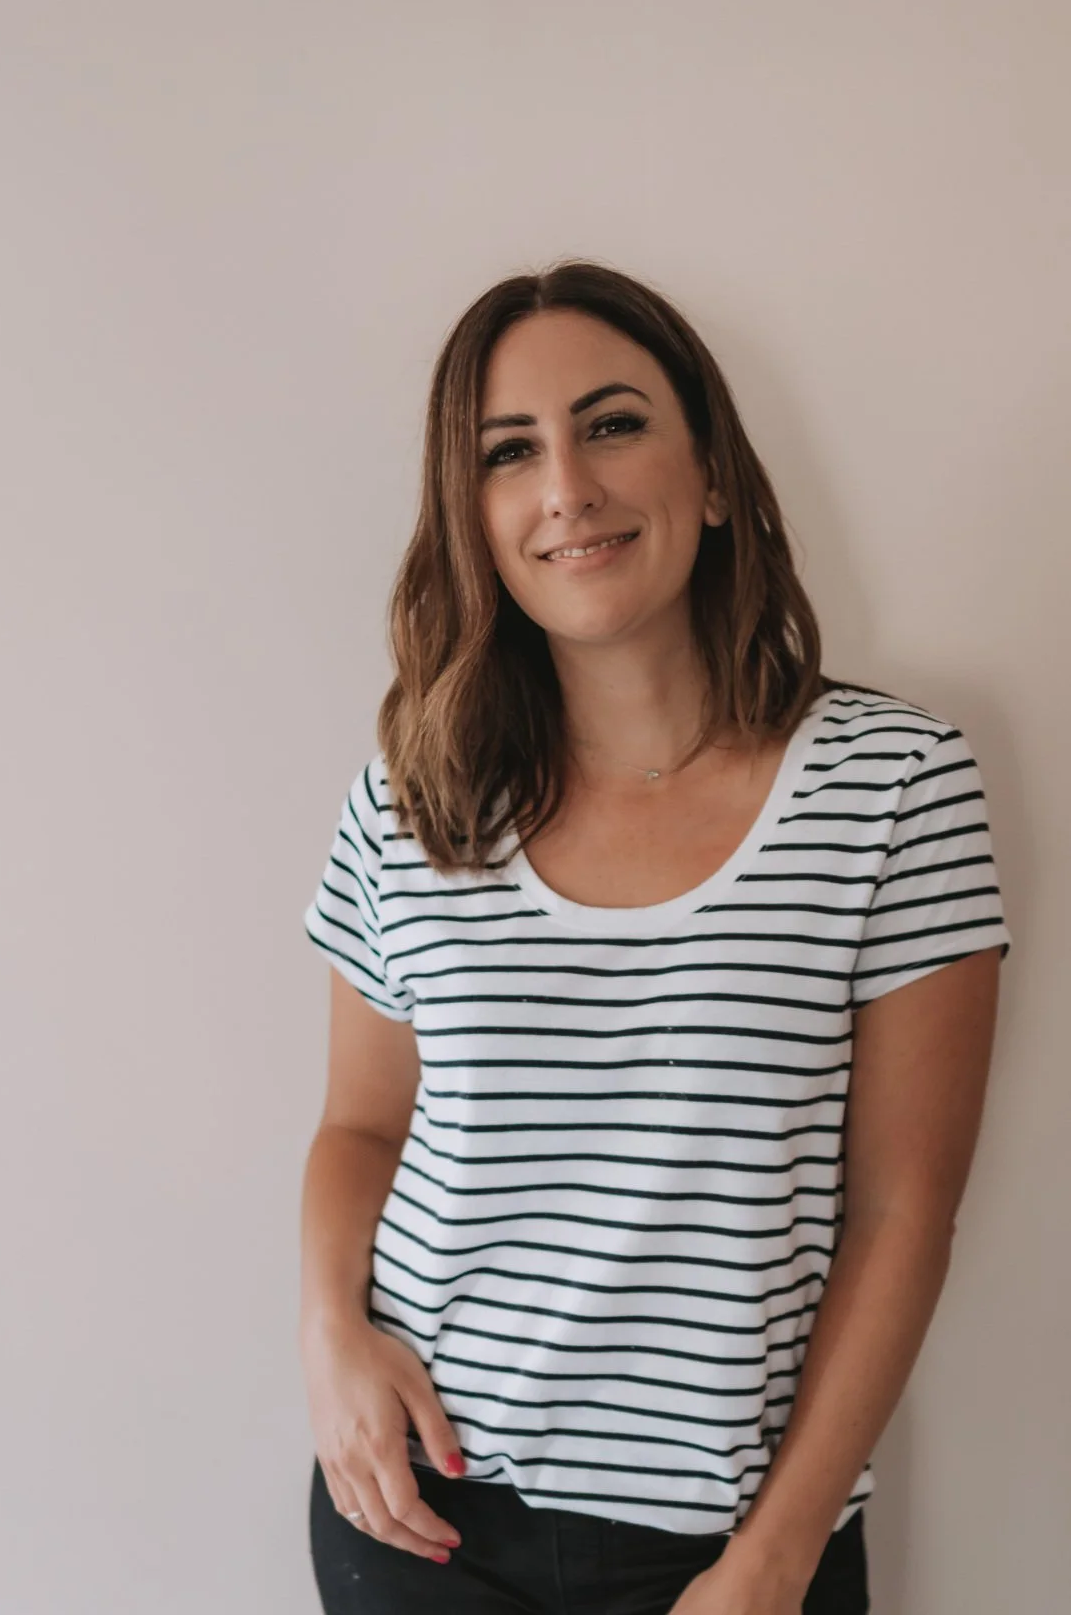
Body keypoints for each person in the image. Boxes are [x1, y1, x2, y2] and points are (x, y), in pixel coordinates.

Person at [297, 261, 1009, 1615]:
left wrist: (776, 1559)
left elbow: (902, 1213)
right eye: (508, 453)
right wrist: (328, 1333)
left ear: (716, 475)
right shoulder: (413, 795)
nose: (564, 486)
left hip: (731, 1553)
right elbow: (359, 1131)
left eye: (610, 423)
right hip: (419, 1520)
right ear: (475, 516)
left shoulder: (894, 786)